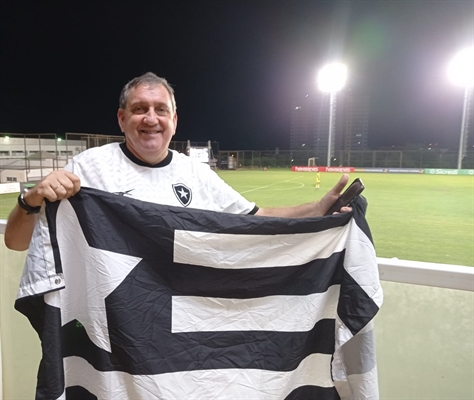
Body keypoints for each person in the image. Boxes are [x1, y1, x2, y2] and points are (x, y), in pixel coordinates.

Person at [4, 72, 350, 251]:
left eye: (160, 110)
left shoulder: (195, 173)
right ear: (122, 119)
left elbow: (258, 218)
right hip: (109, 324)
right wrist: (30, 201)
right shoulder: (86, 169)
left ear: (174, 121)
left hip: (174, 319)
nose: (150, 118)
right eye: (139, 109)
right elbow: (17, 243)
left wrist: (319, 208)